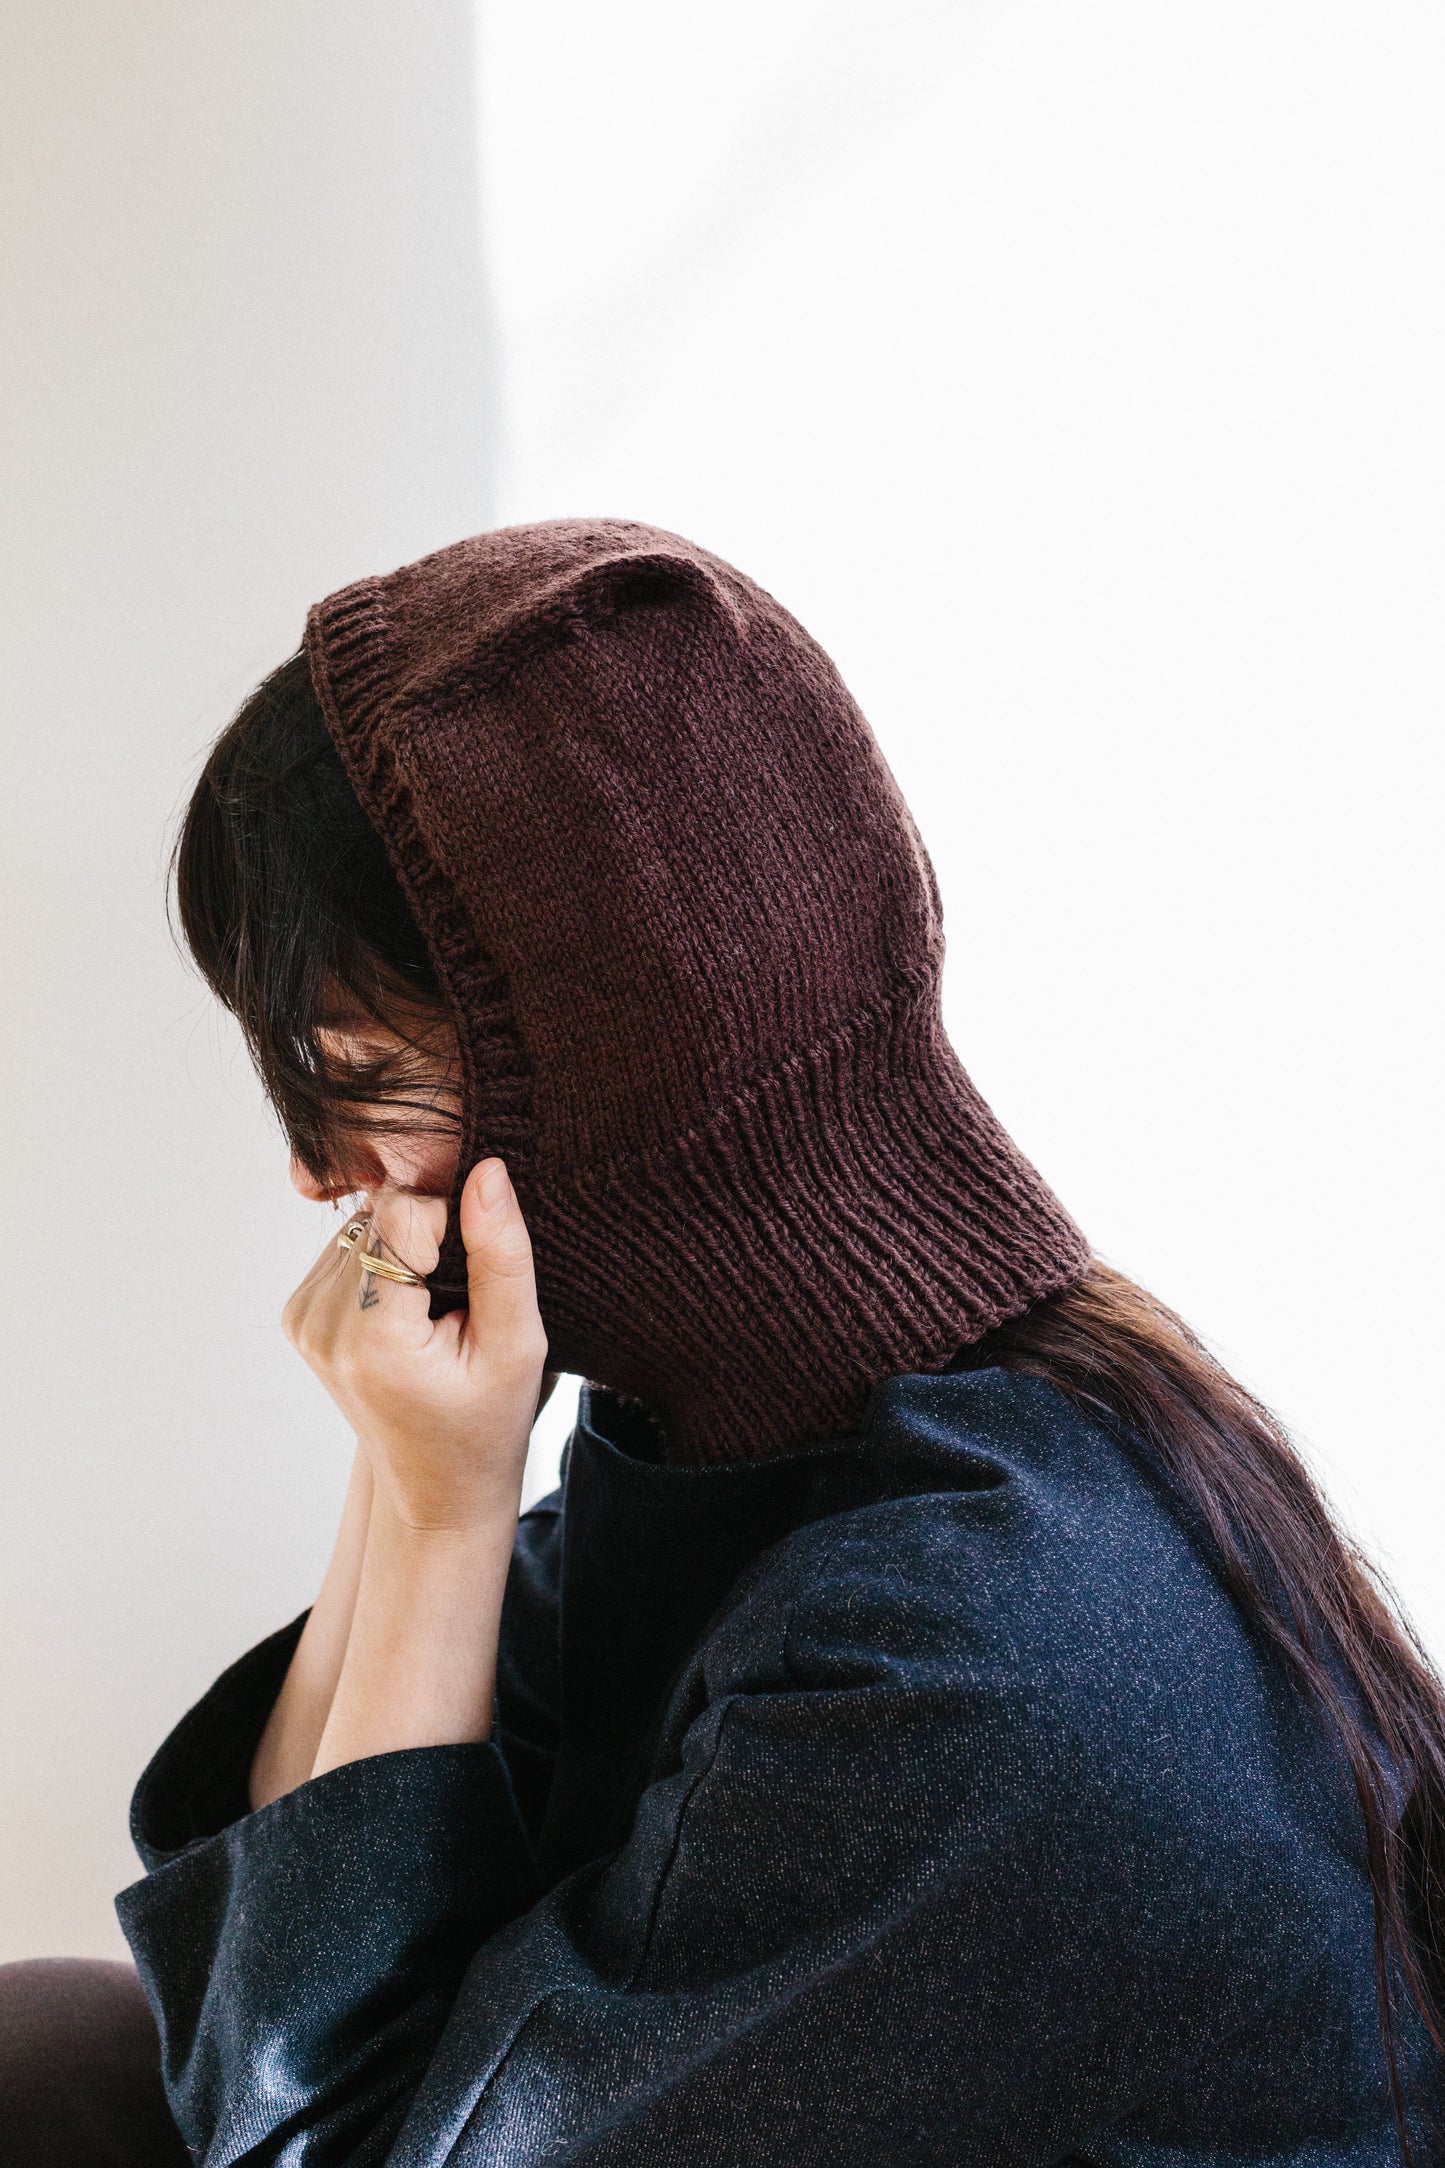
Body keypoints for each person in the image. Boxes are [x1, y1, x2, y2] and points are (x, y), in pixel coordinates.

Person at [3, 519, 1441, 2164]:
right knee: (42, 2052)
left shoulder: (965, 1636)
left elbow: (311, 2127)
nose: (321, 1176)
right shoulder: (769, 1458)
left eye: (353, 1075)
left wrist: (449, 1501)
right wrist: (412, 1494)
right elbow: (254, 1995)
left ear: (628, 1076)